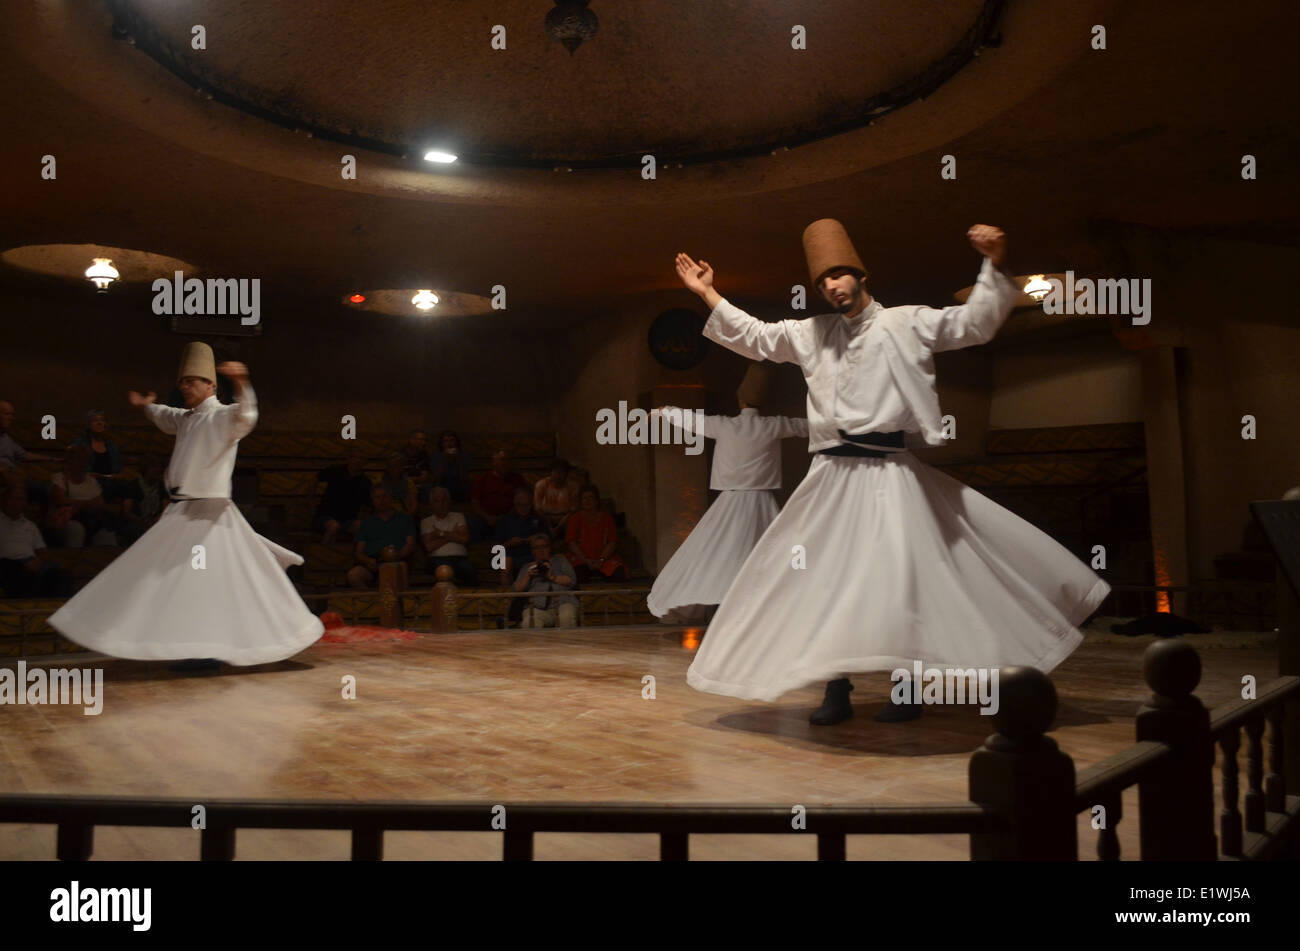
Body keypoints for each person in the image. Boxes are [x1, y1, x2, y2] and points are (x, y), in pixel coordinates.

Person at [672, 220, 1109, 724]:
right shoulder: (811, 334)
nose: (832, 286)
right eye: (822, 282)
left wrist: (995, 264)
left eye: (839, 275)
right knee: (822, 581)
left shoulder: (906, 322)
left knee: (902, 582)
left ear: (860, 274)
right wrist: (708, 293)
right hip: (831, 478)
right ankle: (836, 689)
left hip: (890, 473)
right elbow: (757, 337)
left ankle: (906, 687)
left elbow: (972, 324)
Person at [47, 343, 323, 666]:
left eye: (191, 381)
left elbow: (247, 416)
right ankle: (185, 646)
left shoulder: (222, 416)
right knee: (160, 576)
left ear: (210, 385)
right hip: (181, 513)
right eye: (182, 382)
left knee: (202, 582)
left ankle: (207, 649)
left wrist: (241, 383)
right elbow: (164, 415)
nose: (185, 386)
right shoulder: (186, 418)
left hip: (208, 517)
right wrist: (147, 405)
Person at [647, 363, 808, 622]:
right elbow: (807, 426)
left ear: (740, 400)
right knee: (771, 554)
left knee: (719, 554)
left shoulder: (726, 425)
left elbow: (693, 421)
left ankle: (741, 612)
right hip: (761, 501)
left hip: (733, 502)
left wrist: (666, 411)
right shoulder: (773, 425)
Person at [0, 476, 66, 597]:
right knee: (12, 570)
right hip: (6, 563)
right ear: (4, 500)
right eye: (13, 499)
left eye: (20, 499)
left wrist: (38, 562)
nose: (16, 503)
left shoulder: (30, 526)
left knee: (58, 572)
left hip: (30, 561)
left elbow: (43, 551)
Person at [45, 444, 113, 547]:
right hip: (68, 520)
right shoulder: (59, 478)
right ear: (70, 460)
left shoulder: (91, 481)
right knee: (75, 529)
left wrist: (77, 503)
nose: (83, 463)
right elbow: (60, 500)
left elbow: (100, 503)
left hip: (91, 520)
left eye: (85, 459)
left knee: (107, 535)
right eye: (79, 459)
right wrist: (88, 503)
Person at [349, 485, 417, 588]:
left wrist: (394, 557)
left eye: (384, 496)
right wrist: (368, 561)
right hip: (374, 565)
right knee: (353, 575)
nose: (382, 500)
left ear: (390, 498)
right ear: (373, 501)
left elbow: (410, 545)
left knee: (398, 569)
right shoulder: (367, 523)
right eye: (377, 497)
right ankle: (370, 601)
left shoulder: (405, 519)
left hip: (397, 562)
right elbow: (358, 552)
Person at [565, 485, 630, 582]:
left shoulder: (607, 518)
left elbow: (612, 542)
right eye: (584, 498)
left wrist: (601, 560)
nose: (587, 501)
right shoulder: (575, 518)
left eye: (590, 497)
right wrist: (586, 560)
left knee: (619, 574)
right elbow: (571, 542)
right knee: (576, 576)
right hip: (581, 559)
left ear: (597, 501)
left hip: (604, 558)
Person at [512, 533, 578, 629]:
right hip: (537, 607)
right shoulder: (527, 567)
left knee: (566, 617)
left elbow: (572, 580)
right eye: (537, 548)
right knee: (530, 622)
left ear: (549, 548)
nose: (541, 550)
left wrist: (552, 577)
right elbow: (516, 589)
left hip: (563, 602)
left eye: (544, 546)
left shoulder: (560, 560)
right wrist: (528, 575)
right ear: (532, 551)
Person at [313, 447, 372, 544]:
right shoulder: (335, 471)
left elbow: (367, 505)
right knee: (334, 526)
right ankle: (322, 554)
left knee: (360, 526)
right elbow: (315, 480)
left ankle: (352, 556)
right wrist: (311, 500)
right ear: (348, 459)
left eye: (361, 458)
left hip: (348, 520)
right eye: (355, 457)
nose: (358, 461)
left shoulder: (366, 482)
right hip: (326, 516)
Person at [420, 486, 477, 586]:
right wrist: (452, 535)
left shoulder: (458, 516)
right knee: (443, 569)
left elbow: (464, 539)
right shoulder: (426, 522)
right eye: (437, 501)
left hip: (459, 559)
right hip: (436, 559)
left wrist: (440, 534)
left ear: (449, 501)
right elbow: (429, 547)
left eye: (444, 500)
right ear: (432, 504)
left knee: (469, 569)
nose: (441, 504)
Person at [70, 410, 130, 501]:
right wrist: (88, 475)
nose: (99, 423)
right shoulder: (80, 444)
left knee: (128, 487)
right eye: (95, 420)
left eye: (102, 420)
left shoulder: (112, 447)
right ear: (88, 425)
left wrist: (117, 476)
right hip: (87, 483)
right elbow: (72, 468)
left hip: (109, 483)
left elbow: (119, 471)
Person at [470, 449, 526, 540]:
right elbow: (475, 502)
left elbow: (522, 501)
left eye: (508, 460)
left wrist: (505, 517)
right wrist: (487, 517)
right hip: (486, 518)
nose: (505, 463)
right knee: (473, 522)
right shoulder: (483, 478)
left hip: (510, 517)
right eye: (502, 460)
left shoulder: (518, 479)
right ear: (494, 462)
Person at [533, 459, 580, 535]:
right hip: (545, 518)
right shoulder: (541, 485)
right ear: (551, 472)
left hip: (565, 519)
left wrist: (558, 527)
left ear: (566, 474)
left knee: (571, 527)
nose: (558, 475)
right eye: (556, 471)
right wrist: (549, 526)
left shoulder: (573, 487)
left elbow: (572, 511)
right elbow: (538, 509)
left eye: (562, 472)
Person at [429, 429, 470, 503]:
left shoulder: (463, 456)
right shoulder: (436, 456)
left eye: (452, 440)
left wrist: (459, 460)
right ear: (441, 443)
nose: (449, 443)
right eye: (446, 441)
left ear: (456, 442)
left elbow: (464, 479)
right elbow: (437, 479)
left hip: (458, 487)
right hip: (441, 488)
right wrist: (444, 460)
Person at [380, 450, 418, 518]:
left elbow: (414, 503)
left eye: (397, 465)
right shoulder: (380, 482)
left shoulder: (408, 482)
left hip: (406, 515)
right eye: (391, 466)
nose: (393, 469)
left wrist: (409, 515)